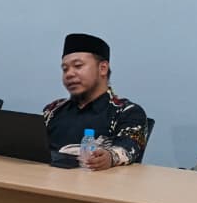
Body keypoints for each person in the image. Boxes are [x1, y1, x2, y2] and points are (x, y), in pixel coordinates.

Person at [44, 33, 149, 169]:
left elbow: (129, 147)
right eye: (65, 69)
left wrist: (110, 157)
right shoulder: (53, 110)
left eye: (78, 66)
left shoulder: (127, 112)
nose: (69, 74)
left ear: (103, 68)